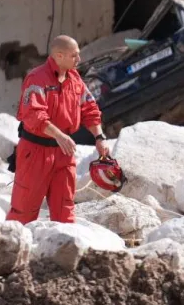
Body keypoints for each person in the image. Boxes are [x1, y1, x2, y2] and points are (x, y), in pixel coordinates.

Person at [7, 35, 110, 224]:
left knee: (65, 212)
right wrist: (59, 135)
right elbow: (34, 115)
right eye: (74, 56)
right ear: (59, 56)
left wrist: (99, 137)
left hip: (64, 153)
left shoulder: (75, 79)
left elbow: (89, 109)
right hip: (35, 154)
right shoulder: (36, 79)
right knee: (23, 213)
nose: (79, 60)